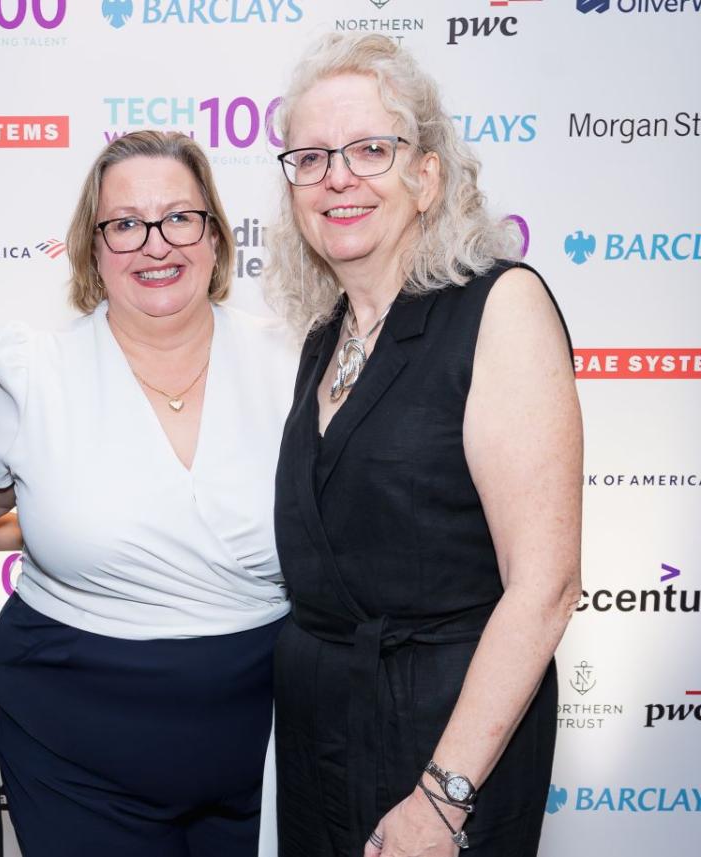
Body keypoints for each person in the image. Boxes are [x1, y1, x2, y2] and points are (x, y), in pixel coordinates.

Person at [265, 34, 582, 857]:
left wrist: (443, 799)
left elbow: (544, 585)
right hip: (318, 740)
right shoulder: (324, 337)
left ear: (428, 175)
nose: (338, 176)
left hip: (449, 748)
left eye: (371, 149)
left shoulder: (500, 308)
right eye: (311, 157)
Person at [0, 130, 297, 857]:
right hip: (74, 747)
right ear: (93, 247)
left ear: (214, 236)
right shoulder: (31, 373)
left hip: (271, 740)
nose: (155, 243)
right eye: (125, 224)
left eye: (179, 217)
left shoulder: (297, 359)